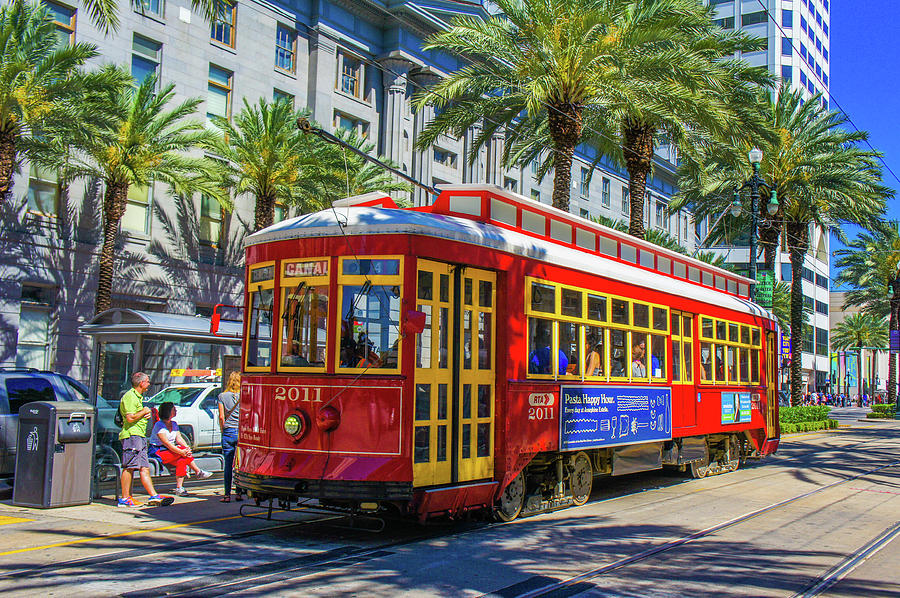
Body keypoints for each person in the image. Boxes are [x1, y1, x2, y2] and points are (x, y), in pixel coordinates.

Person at [118, 372, 174, 508]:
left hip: (140, 435)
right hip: (132, 435)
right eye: (147, 381)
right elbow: (130, 417)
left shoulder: (138, 397)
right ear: (141, 383)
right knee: (129, 467)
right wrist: (143, 412)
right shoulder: (130, 396)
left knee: (144, 467)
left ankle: (153, 495)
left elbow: (137, 415)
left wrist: (144, 414)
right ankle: (125, 498)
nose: (149, 384)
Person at [150, 402, 211, 496]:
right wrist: (181, 451)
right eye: (173, 409)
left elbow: (179, 438)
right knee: (182, 455)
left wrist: (186, 448)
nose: (176, 411)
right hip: (158, 451)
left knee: (182, 460)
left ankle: (179, 487)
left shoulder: (174, 424)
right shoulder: (159, 425)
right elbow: (166, 443)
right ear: (168, 412)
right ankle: (198, 471)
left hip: (170, 451)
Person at [218, 371, 242, 503]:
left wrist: (223, 429)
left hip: (228, 431)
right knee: (238, 464)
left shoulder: (222, 396)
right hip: (240, 432)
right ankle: (238, 493)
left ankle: (227, 495)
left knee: (228, 464)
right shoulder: (243, 396)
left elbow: (222, 416)